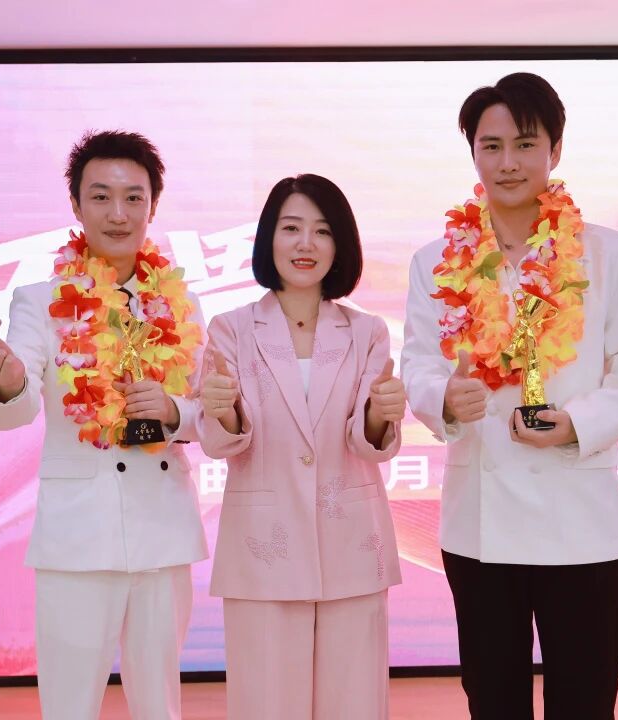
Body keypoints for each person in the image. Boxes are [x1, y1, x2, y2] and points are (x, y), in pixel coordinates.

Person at [400, 72, 618, 720]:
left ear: (555, 149)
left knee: (585, 700)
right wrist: (444, 397)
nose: (508, 162)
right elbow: (418, 361)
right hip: (480, 524)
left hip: (581, 518)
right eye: (490, 146)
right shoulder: (435, 261)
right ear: (473, 153)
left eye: (525, 144)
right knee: (493, 700)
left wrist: (577, 423)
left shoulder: (609, 254)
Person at [0, 130, 207, 720]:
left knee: (160, 706)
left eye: (133, 197)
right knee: (69, 706)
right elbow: (19, 406)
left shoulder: (182, 304)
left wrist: (174, 412)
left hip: (162, 528)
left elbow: (210, 414)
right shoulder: (39, 301)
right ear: (76, 205)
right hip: (77, 534)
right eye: (100, 196)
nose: (118, 214)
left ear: (153, 206)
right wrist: (6, 380)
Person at [198, 174, 406, 720]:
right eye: (291, 228)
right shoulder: (231, 330)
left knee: (355, 706)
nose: (306, 244)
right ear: (269, 237)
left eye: (322, 231)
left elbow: (367, 440)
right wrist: (222, 407)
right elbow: (222, 440)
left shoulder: (367, 332)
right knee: (266, 706)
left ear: (340, 245)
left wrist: (381, 414)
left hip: (352, 546)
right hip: (262, 550)